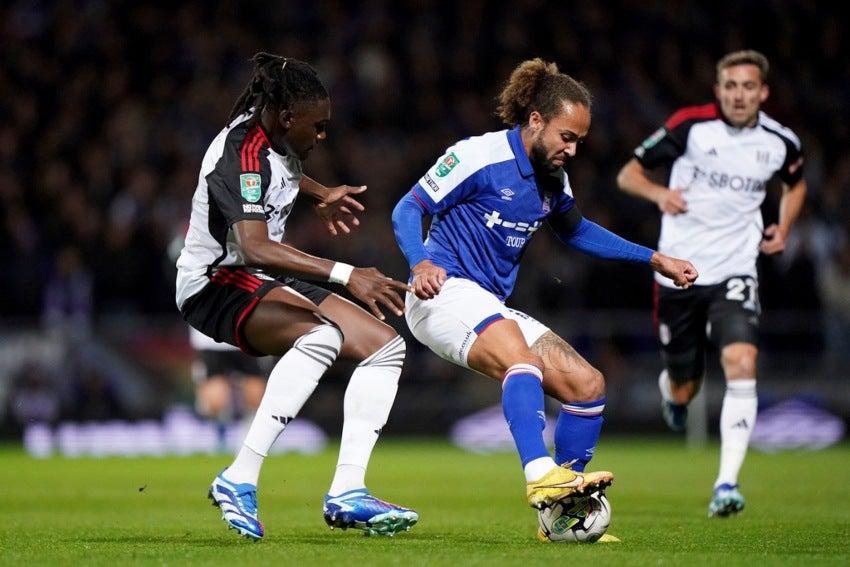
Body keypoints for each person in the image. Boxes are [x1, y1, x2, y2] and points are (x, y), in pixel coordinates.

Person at [391, 58, 698, 540]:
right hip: (440, 293)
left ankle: (561, 515)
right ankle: (541, 476)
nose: (572, 149)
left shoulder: (553, 177)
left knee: (587, 384)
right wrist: (419, 262)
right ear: (536, 119)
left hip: (488, 302)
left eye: (579, 140)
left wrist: (653, 258)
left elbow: (576, 232)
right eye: (566, 136)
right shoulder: (478, 156)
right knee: (521, 359)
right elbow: (409, 207)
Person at [175, 52, 418, 540]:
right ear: (287, 117)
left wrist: (318, 192)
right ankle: (239, 478)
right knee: (321, 339)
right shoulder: (239, 153)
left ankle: (348, 491)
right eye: (320, 127)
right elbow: (253, 245)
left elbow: (277, 172)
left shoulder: (272, 135)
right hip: (216, 282)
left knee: (385, 346)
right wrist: (348, 275)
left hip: (263, 276)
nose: (323, 136)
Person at [616, 49, 807, 517]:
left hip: (736, 271)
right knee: (684, 385)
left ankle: (726, 484)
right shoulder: (690, 127)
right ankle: (673, 393)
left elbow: (795, 183)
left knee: (742, 360)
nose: (738, 96)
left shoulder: (781, 142)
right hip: (679, 272)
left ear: (762, 93)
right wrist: (659, 192)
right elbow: (628, 174)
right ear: (718, 91)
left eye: (748, 87)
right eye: (730, 87)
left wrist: (783, 226)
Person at [188, 326, 269, 452]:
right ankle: (220, 439)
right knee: (215, 400)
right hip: (210, 339)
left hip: (246, 336)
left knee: (256, 396)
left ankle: (250, 442)